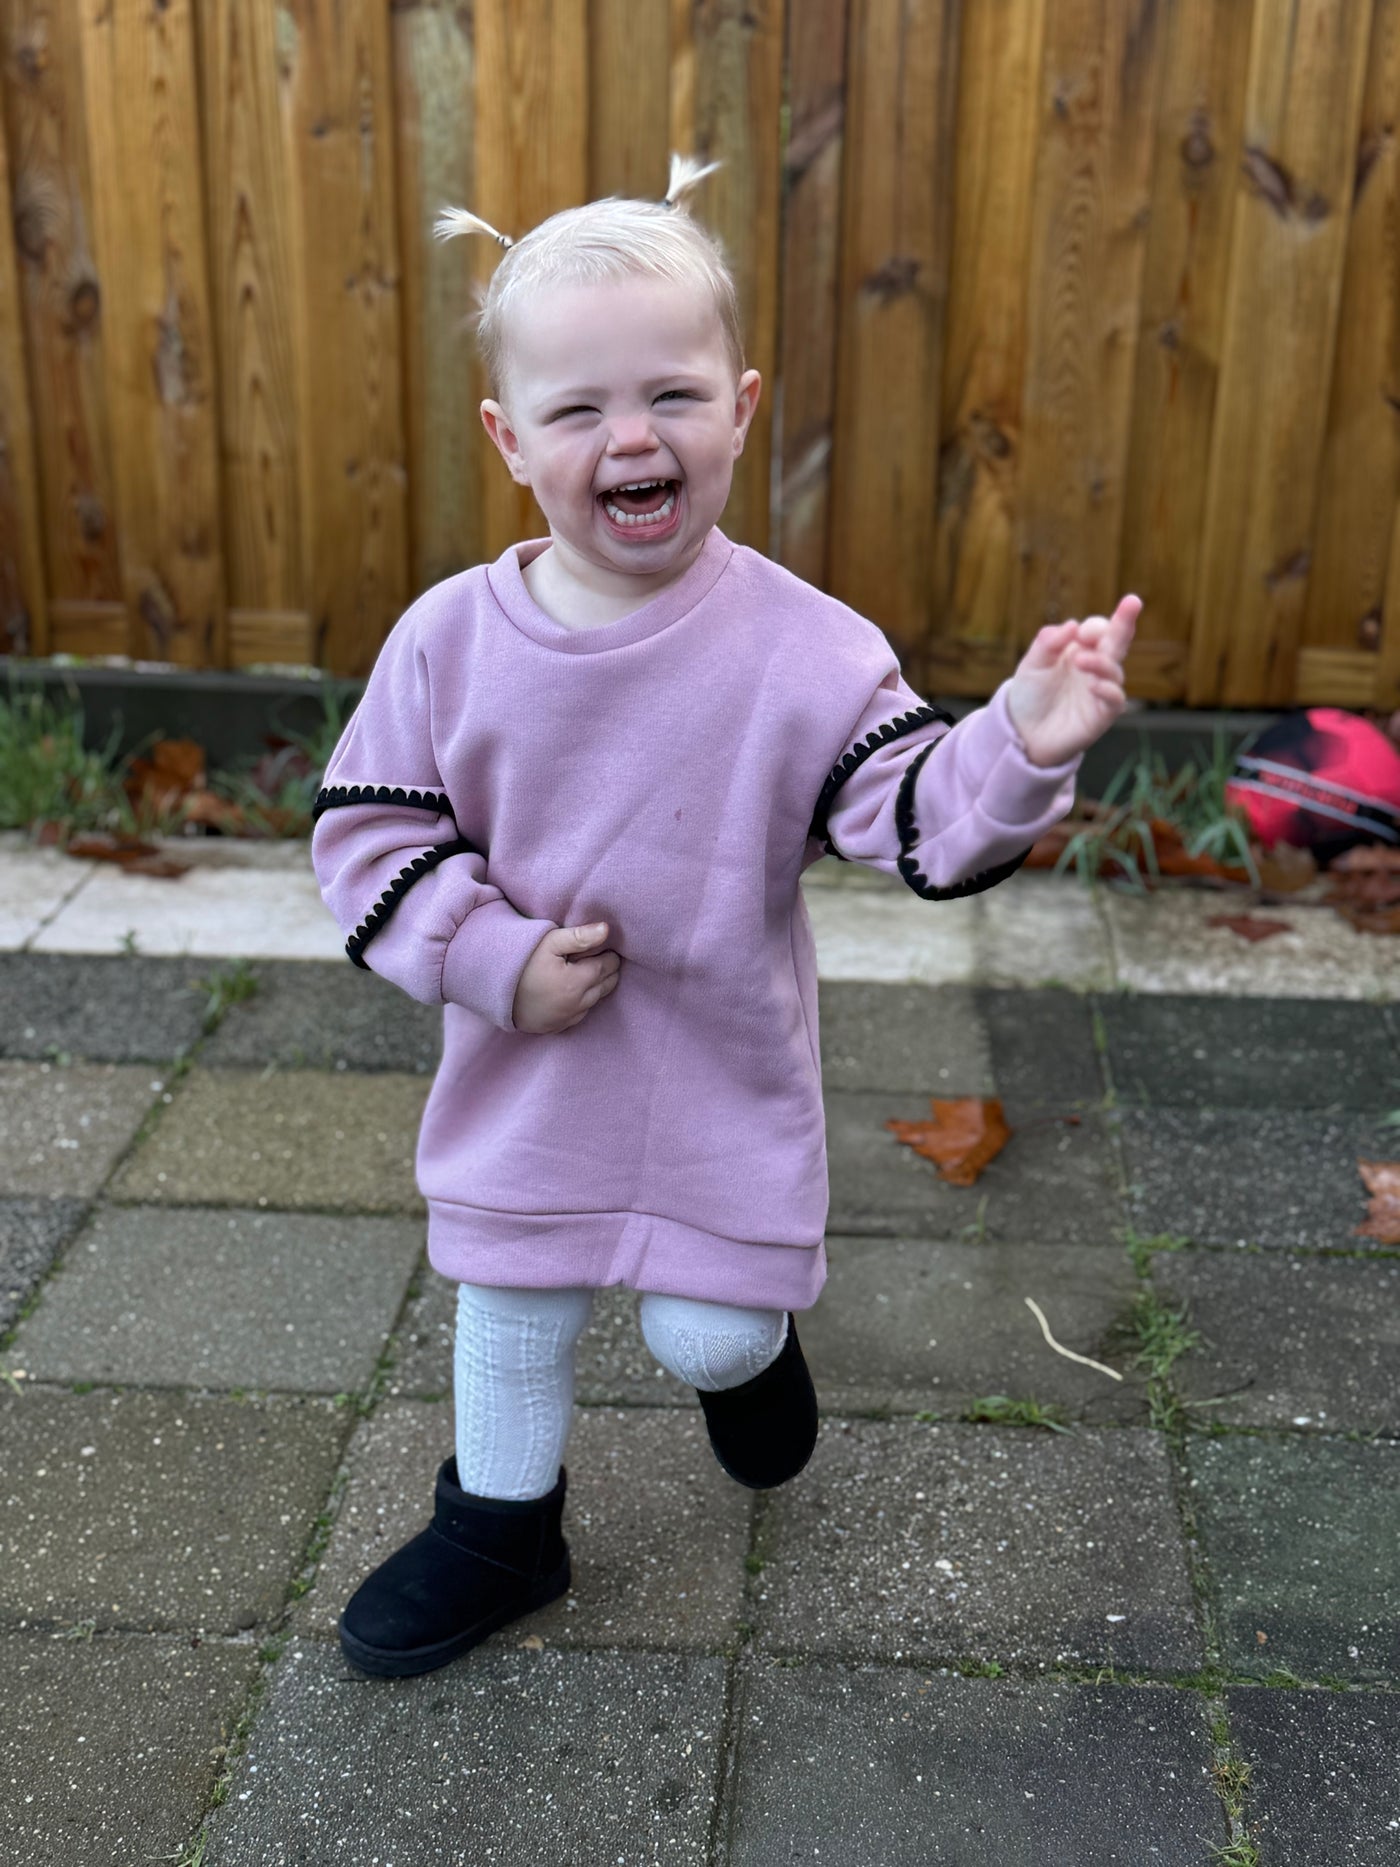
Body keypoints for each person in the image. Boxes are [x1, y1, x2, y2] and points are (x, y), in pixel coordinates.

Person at [311, 153, 1139, 1679]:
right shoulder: (445, 644)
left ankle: (745, 1350)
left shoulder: (809, 652)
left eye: (673, 397)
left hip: (716, 1069)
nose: (633, 437)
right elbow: (368, 837)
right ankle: (502, 1525)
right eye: (578, 412)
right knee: (512, 1298)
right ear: (511, 441)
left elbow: (912, 816)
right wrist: (487, 959)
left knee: (705, 1338)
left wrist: (1017, 743)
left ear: (742, 408)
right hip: (529, 1072)